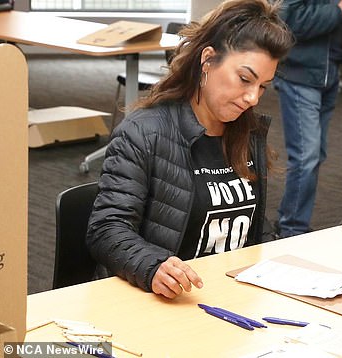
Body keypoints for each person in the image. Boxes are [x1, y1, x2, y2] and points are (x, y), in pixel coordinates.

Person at [86, 0, 294, 299]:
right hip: (164, 300)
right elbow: (106, 230)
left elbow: (253, 226)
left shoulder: (247, 132)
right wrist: (153, 266)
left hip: (227, 296)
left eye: (263, 86)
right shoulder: (145, 131)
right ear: (207, 60)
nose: (252, 98)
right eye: (245, 79)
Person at [273, 0, 342, 237]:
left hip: (329, 74)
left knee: (315, 155)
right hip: (299, 75)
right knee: (306, 157)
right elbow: (288, 21)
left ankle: (291, 219)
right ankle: (291, 228)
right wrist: (338, 12)